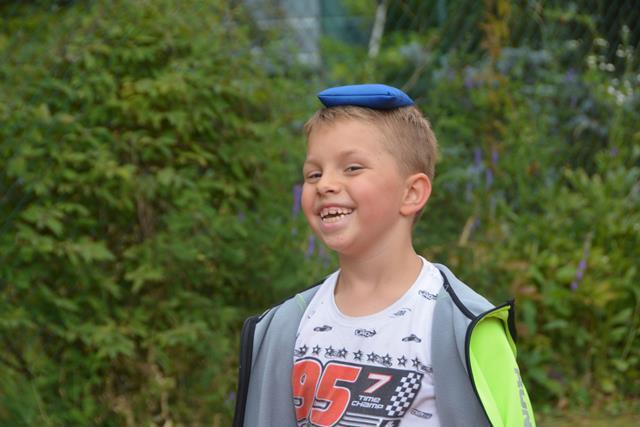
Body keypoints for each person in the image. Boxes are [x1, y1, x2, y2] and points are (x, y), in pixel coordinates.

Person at [232, 84, 536, 427]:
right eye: (313, 174)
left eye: (352, 168)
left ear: (412, 193)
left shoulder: (464, 326)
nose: (325, 184)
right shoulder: (286, 326)